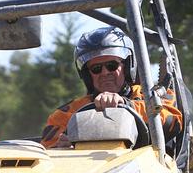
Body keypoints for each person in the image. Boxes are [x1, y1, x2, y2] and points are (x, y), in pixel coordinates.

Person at [40, 26, 182, 148]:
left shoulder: (153, 96)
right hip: (92, 170)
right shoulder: (68, 112)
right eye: (96, 68)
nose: (105, 73)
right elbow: (47, 147)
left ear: (127, 67)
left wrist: (126, 105)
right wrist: (60, 147)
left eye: (112, 65)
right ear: (87, 75)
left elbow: (173, 121)